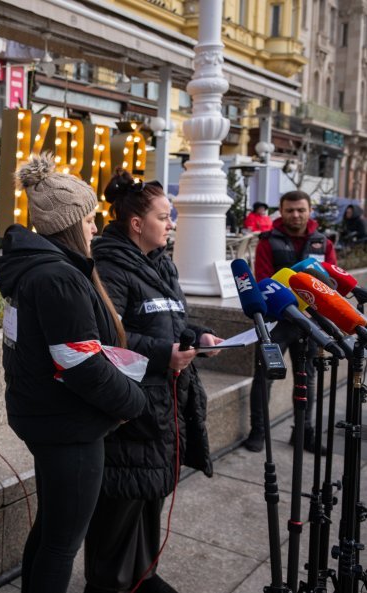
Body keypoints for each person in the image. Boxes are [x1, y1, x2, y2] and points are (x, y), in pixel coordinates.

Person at [0, 154, 147, 593]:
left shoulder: (38, 269)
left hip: (48, 417)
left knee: (51, 530)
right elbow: (80, 364)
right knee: (62, 543)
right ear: (69, 222)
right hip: (68, 426)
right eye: (89, 220)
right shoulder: (57, 278)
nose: (95, 229)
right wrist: (133, 402)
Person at [85, 170, 220, 593]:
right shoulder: (109, 265)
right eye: (165, 216)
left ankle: (142, 574)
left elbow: (171, 320)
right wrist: (164, 354)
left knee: (151, 493)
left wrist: (197, 336)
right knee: (123, 500)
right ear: (136, 224)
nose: (172, 223)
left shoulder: (162, 263)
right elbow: (109, 333)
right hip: (133, 404)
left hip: (167, 402)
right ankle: (109, 583)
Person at [243, 190, 337, 453]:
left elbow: (330, 285)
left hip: (311, 324)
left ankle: (303, 432)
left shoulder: (324, 244)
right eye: (290, 210)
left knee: (307, 379)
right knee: (264, 377)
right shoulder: (267, 242)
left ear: (309, 211)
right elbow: (262, 280)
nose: (295, 215)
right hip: (276, 323)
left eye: (301, 210)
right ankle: (258, 431)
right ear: (281, 212)